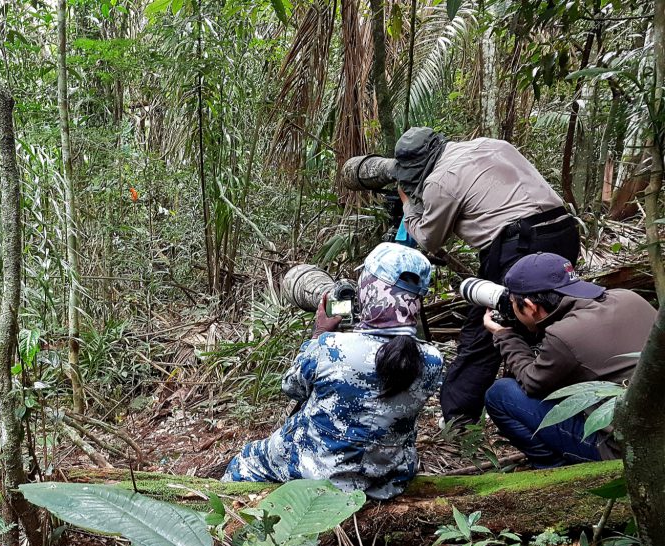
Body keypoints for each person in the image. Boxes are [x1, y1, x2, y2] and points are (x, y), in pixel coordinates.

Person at [223, 243, 444, 499]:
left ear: (368, 290)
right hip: (389, 479)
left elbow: (292, 388)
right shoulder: (432, 361)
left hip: (320, 474)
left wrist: (319, 333)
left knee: (245, 460)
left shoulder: (330, 348)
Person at [394, 127, 580, 430]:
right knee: (553, 317)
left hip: (521, 245)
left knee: (486, 327)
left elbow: (429, 239)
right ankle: (553, 402)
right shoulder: (491, 144)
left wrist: (407, 204)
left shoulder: (440, 181)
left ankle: (458, 419)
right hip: (564, 232)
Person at [482, 253, 656, 467]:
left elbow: (531, 383)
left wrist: (504, 336)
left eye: (513, 304)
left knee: (501, 394)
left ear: (530, 305)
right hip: (654, 433)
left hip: (628, 451)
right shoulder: (627, 296)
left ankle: (557, 470)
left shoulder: (564, 334)